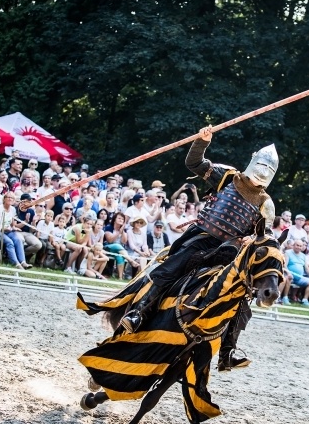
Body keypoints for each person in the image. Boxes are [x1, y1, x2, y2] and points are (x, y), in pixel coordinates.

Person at [119, 125, 279, 372]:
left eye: (269, 169)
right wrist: (202, 141)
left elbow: (263, 236)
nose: (263, 171)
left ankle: (227, 353)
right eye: (262, 165)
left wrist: (250, 241)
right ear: (253, 161)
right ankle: (138, 312)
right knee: (170, 269)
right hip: (203, 237)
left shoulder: (266, 204)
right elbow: (195, 163)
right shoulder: (228, 177)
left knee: (240, 301)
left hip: (230, 252)